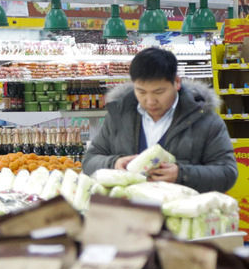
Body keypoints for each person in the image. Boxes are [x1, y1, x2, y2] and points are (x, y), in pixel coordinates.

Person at [82, 47, 238, 192]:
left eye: (159, 92)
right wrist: (113, 164)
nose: (150, 101)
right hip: (129, 215)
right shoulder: (119, 116)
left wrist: (182, 174)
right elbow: (90, 160)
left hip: (181, 216)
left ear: (177, 82)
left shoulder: (205, 120)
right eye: (141, 91)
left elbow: (227, 172)